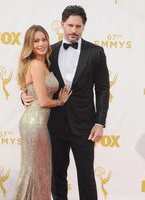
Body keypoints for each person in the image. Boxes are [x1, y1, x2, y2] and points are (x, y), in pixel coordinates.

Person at [22, 5, 110, 200]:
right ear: (62, 24)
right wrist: (24, 95)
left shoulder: (95, 52)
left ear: (84, 26)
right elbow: (32, 76)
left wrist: (99, 122)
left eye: (78, 26)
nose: (73, 30)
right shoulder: (48, 52)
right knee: (56, 176)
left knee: (86, 176)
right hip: (54, 124)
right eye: (70, 25)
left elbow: (103, 90)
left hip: (84, 125)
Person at [13, 25, 72, 200]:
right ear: (29, 44)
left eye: (44, 39)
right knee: (36, 170)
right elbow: (44, 101)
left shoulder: (43, 63)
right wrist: (61, 101)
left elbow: (30, 92)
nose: (41, 44)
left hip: (36, 121)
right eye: (36, 40)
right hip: (35, 124)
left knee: (38, 170)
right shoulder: (37, 65)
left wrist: (24, 95)